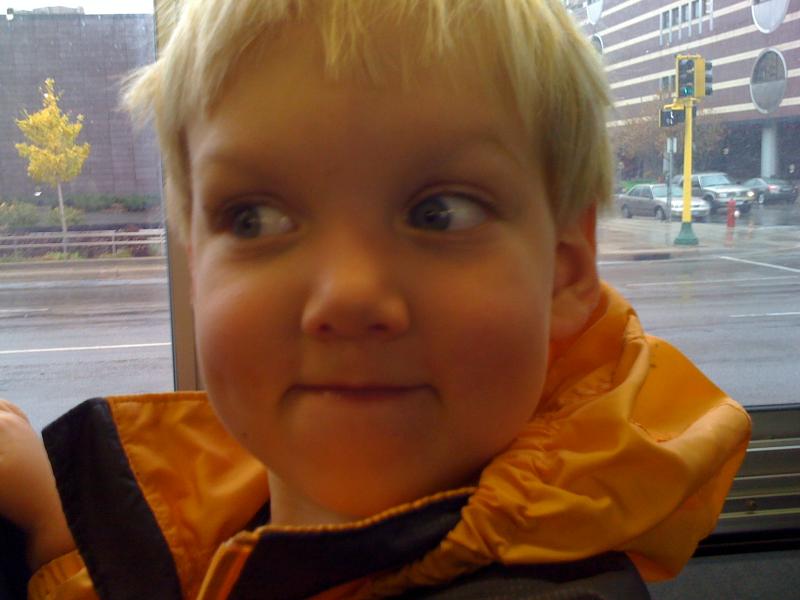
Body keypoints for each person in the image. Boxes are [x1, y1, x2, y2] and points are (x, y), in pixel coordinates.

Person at [0, 1, 751, 598]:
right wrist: (70, 544)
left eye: (440, 213)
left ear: (563, 271)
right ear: (196, 268)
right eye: (253, 218)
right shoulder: (220, 508)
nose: (349, 295)